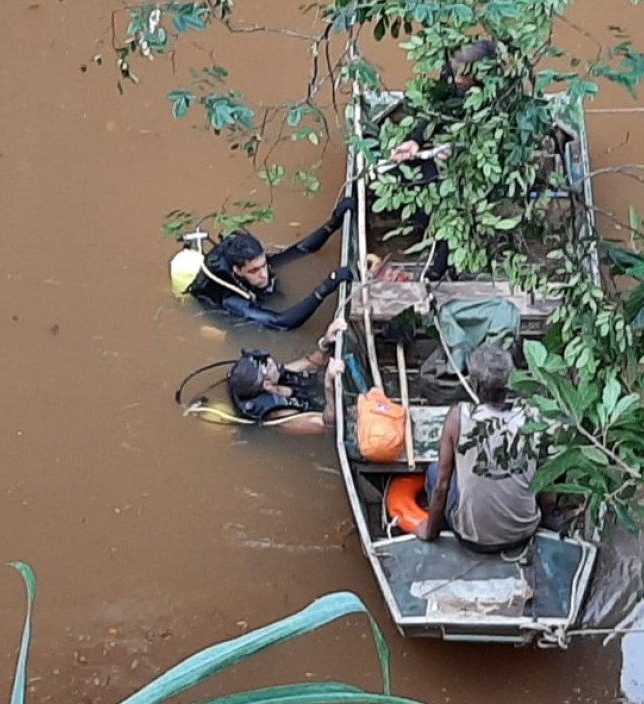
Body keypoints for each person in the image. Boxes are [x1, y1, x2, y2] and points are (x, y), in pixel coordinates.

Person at [382, 40, 505, 279]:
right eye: (454, 72)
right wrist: (415, 140)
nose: (456, 80)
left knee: (458, 207)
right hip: (443, 150)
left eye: (462, 76)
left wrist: (462, 154)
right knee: (394, 179)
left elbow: (496, 145)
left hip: (476, 165)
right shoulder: (451, 75)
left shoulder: (498, 97)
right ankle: (425, 224)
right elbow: (436, 110)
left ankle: (438, 270)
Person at [414, 343, 542, 550]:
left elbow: (442, 485)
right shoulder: (531, 416)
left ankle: (444, 527)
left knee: (434, 472)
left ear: (474, 384)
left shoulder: (458, 418)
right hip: (525, 532)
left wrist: (430, 532)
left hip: (473, 539)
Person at [185, 198, 356, 330]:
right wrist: (325, 287)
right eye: (254, 271)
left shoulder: (255, 262)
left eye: (263, 265)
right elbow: (281, 322)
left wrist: (334, 222)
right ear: (237, 270)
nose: (263, 274)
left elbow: (300, 251)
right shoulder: (233, 301)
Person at [226, 319, 347, 435]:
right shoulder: (283, 418)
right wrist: (328, 385)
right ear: (267, 385)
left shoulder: (276, 374)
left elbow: (312, 363)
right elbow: (328, 427)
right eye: (268, 365)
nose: (271, 360)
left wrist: (325, 342)